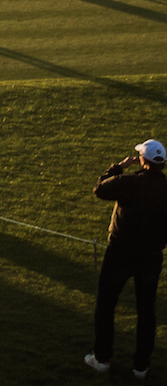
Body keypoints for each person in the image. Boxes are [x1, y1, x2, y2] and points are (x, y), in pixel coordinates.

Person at [86, 138, 165, 377]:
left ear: (143, 160)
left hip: (120, 252)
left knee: (106, 304)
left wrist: (118, 167)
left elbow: (100, 188)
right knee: (146, 310)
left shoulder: (130, 182)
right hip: (151, 256)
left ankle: (102, 358)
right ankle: (141, 365)